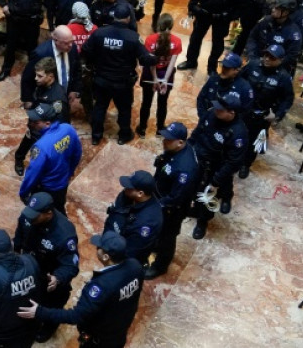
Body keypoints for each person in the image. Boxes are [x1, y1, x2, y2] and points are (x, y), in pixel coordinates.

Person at [17, 231, 144, 348]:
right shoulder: (135, 266)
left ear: (105, 257)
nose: (96, 248)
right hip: (119, 329)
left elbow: (76, 316)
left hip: (98, 340)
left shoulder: (101, 286)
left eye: (99, 248)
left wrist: (40, 312)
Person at [82, 3, 157, 145]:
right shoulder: (133, 37)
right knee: (124, 109)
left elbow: (86, 50)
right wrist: (157, 57)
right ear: (128, 18)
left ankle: (96, 136)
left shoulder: (99, 33)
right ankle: (123, 135)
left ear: (113, 16)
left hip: (101, 79)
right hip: (122, 82)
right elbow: (144, 60)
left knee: (99, 107)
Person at [13, 192, 80, 343]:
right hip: (30, 268)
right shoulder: (28, 216)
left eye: (35, 216)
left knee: (53, 304)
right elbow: (19, 236)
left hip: (49, 277)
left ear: (48, 213)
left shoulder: (64, 234)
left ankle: (49, 326)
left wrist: (58, 278)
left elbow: (71, 265)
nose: (29, 219)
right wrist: (15, 253)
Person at [189, 94, 249, 240]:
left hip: (217, 168)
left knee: (210, 194)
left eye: (221, 109)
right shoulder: (211, 114)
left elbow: (233, 162)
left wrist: (216, 182)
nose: (216, 110)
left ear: (231, 113)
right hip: (200, 159)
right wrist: (188, 149)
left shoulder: (238, 134)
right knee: (196, 188)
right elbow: (198, 132)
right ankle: (195, 209)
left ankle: (203, 222)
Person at [145, 122, 200, 279]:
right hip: (161, 193)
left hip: (172, 209)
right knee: (158, 231)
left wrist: (157, 205)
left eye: (168, 140)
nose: (164, 141)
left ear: (180, 142)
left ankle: (160, 266)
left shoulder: (186, 169)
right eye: (164, 138)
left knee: (167, 238)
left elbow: (177, 197)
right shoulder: (174, 150)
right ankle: (155, 246)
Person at [178, 0, 247, 74]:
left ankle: (211, 68)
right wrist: (192, 6)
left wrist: (228, 16)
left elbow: (241, 7)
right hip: (204, 13)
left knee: (217, 43)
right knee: (196, 37)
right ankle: (191, 61)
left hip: (221, 19)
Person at [238, 45, 294, 178]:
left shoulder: (283, 77)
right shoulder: (253, 65)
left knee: (254, 142)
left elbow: (288, 99)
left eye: (272, 57)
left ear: (280, 60)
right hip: (243, 110)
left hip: (262, 116)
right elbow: (239, 79)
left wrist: (277, 116)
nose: (267, 59)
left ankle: (246, 164)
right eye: (266, 55)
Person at [19, 103, 81, 211]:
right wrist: (69, 172)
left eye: (36, 122)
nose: (32, 124)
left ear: (47, 123)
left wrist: (23, 192)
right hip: (63, 183)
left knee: (44, 213)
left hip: (47, 188)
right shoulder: (68, 129)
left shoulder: (41, 146)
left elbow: (33, 171)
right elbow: (77, 153)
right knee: (59, 207)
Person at [15, 58, 69, 175]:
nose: (36, 78)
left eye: (40, 76)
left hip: (45, 131)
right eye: (36, 75)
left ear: (50, 76)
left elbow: (62, 123)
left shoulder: (57, 98)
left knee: (40, 155)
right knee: (27, 140)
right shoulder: (41, 85)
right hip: (34, 123)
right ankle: (19, 158)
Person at [19, 26, 80, 123]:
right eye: (66, 43)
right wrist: (27, 99)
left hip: (64, 95)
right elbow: (27, 77)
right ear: (55, 40)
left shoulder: (72, 49)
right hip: (46, 97)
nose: (70, 45)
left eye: (71, 41)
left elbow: (77, 69)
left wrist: (74, 89)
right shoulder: (40, 53)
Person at [104, 171, 163, 264]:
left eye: (129, 187)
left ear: (140, 193)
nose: (125, 188)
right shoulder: (127, 195)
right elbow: (114, 214)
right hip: (111, 241)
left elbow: (131, 251)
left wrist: (113, 261)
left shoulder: (147, 222)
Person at [137, 13, 181, 136]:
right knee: (163, 103)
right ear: (171, 26)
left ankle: (142, 129)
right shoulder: (177, 41)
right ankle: (160, 129)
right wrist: (165, 80)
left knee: (146, 102)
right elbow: (172, 63)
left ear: (158, 25)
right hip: (166, 73)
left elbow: (151, 63)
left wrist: (155, 79)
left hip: (150, 75)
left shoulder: (150, 39)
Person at [245, 0, 302, 72]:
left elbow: (292, 56)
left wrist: (274, 62)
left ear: (286, 12)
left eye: (277, 8)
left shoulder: (293, 33)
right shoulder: (265, 21)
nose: (273, 9)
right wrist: (252, 56)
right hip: (258, 61)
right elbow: (252, 38)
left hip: (278, 69)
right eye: (274, 7)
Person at [195, 52, 254, 120]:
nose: (223, 69)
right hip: (208, 121)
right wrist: (203, 117)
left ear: (236, 70)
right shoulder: (213, 79)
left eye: (227, 68)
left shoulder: (245, 88)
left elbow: (245, 113)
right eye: (223, 66)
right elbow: (201, 98)